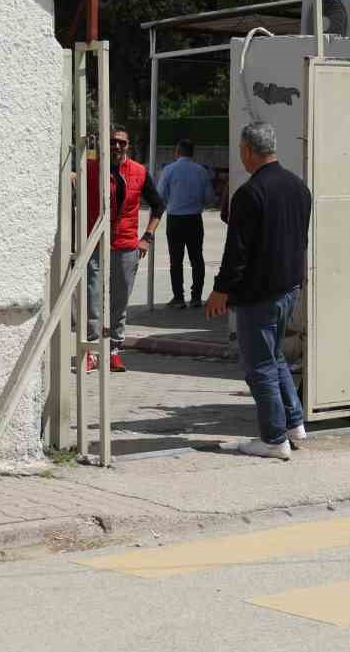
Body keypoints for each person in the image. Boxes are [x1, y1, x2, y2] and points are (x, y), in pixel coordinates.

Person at [205, 121, 312, 460]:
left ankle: (273, 439)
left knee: (259, 367)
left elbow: (236, 252)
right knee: (275, 358)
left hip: (258, 297)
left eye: (241, 151)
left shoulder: (249, 194)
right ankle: (294, 423)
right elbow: (301, 240)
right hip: (287, 290)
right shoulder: (298, 187)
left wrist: (221, 291)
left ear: (249, 150)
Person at [85, 128, 164, 373]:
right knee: (93, 297)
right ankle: (91, 350)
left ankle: (114, 350)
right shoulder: (91, 168)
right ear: (104, 145)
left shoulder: (139, 172)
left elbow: (158, 206)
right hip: (96, 242)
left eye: (121, 143)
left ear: (128, 145)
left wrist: (147, 237)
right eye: (112, 142)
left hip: (127, 244)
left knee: (120, 300)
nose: (117, 147)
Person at [156, 139, 216, 309]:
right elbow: (210, 198)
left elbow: (160, 195)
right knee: (197, 258)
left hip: (175, 219)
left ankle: (178, 298)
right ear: (192, 153)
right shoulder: (201, 171)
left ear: (177, 152)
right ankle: (196, 297)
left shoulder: (169, 170)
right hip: (194, 219)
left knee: (176, 259)